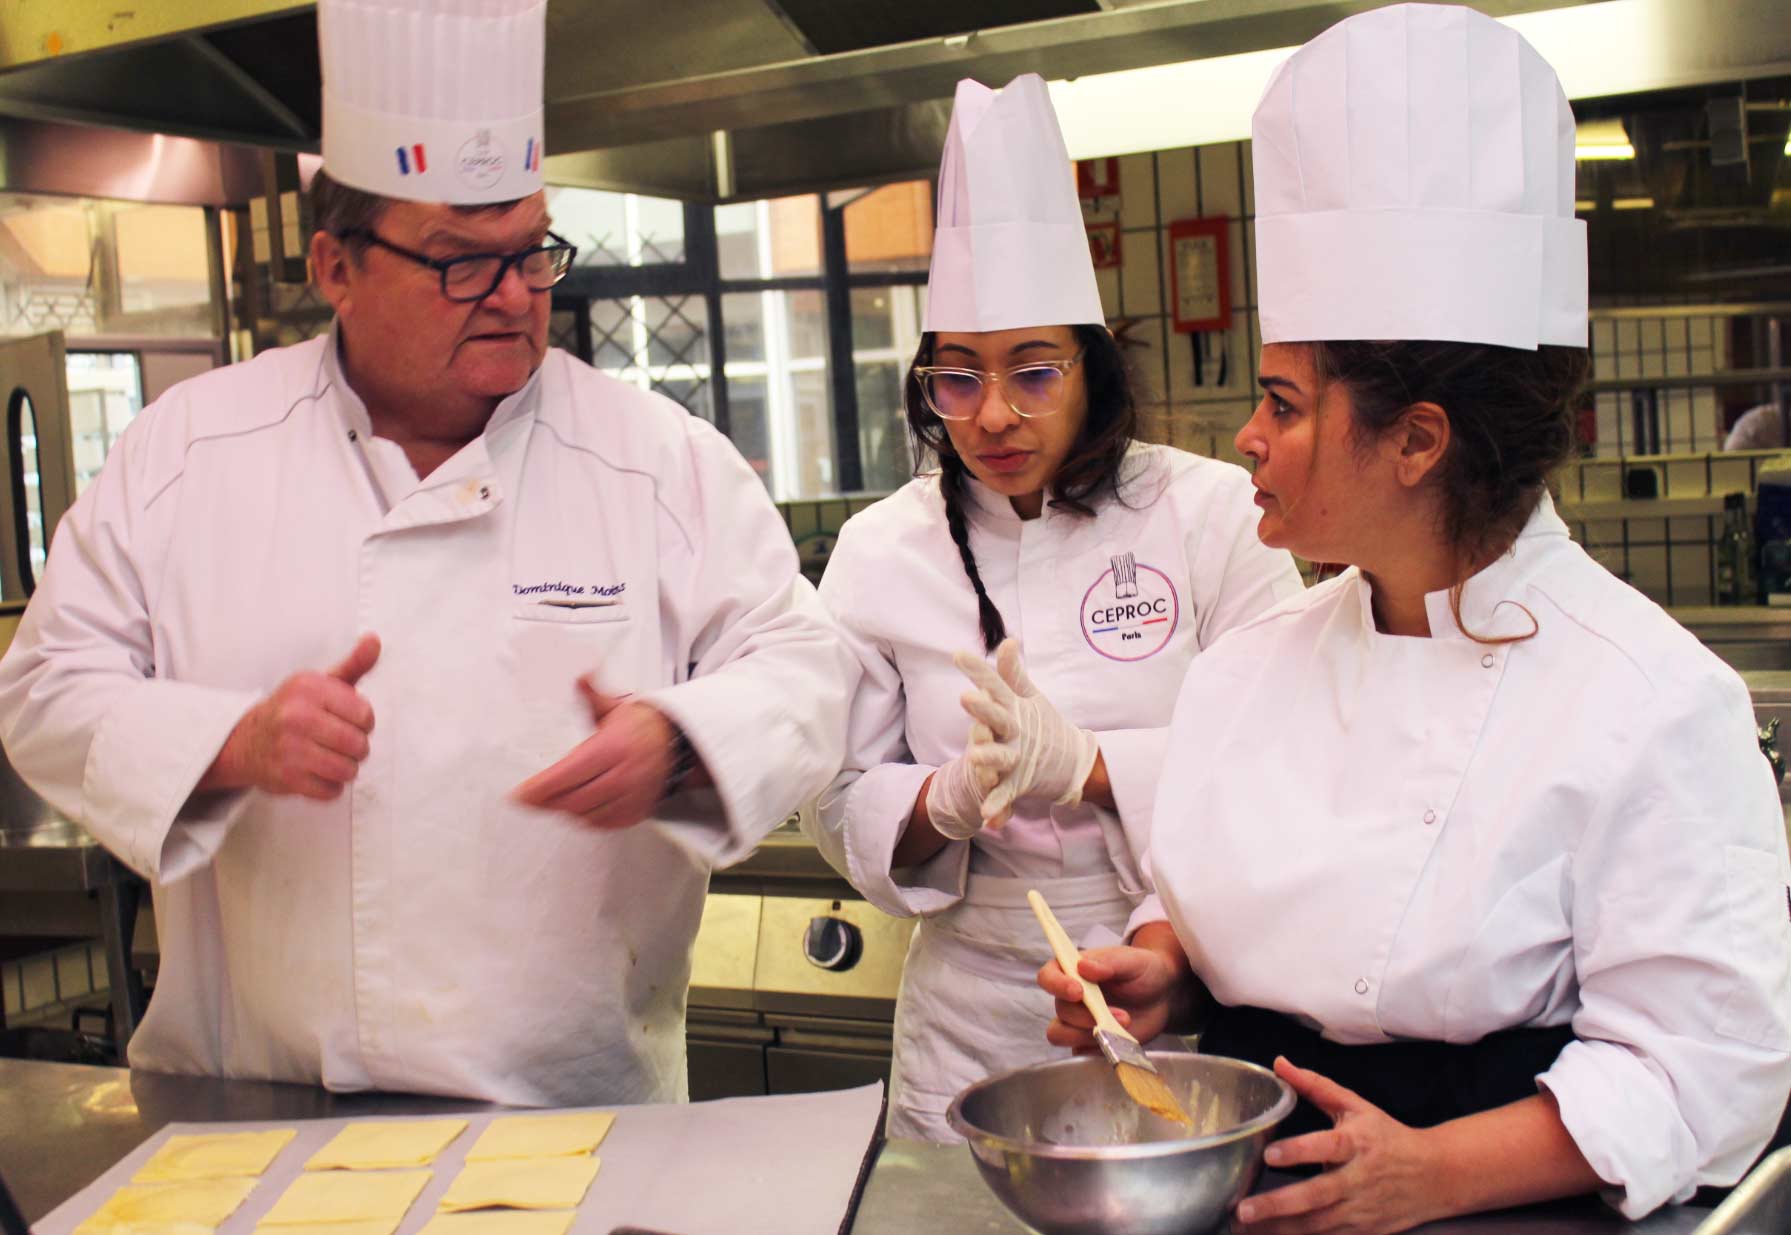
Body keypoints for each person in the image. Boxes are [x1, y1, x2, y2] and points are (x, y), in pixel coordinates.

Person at [0, 0, 850, 1106]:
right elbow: (46, 690)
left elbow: (808, 667)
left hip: (574, 1111)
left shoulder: (654, 458)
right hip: (253, 1108)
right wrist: (228, 740)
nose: (512, 297)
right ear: (334, 265)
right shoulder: (189, 449)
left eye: (532, 254)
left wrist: (683, 741)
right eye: (459, 260)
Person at [1040, 5, 1791, 1229]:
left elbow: (1706, 1065)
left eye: (1284, 401)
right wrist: (1164, 969)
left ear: (1416, 441)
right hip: (1254, 1192)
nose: (1246, 435)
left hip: (1504, 1206)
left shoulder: (1649, 699)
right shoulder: (1250, 667)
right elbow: (1218, 886)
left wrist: (1431, 1170)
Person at [804, 73, 1303, 1142]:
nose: (993, 415)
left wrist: (1093, 766)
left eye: (1033, 372)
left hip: (1175, 982)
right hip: (970, 1013)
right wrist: (933, 801)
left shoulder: (1212, 515)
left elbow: (1288, 751)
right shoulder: (882, 549)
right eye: (957, 378)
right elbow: (834, 785)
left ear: (1093, 365)